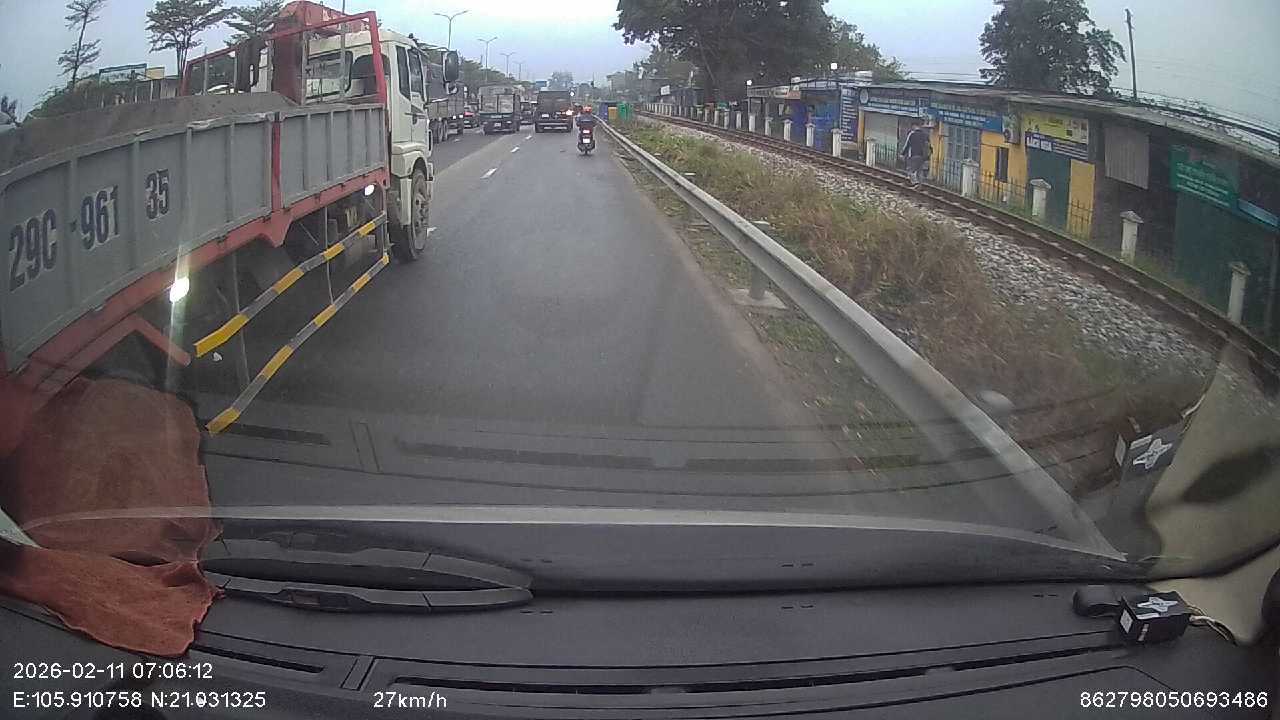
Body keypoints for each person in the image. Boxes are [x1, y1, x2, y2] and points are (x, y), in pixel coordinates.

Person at [900, 121, 931, 186]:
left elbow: (907, 145)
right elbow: (929, 146)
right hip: (923, 157)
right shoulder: (925, 135)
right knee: (919, 171)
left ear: (914, 126)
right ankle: (920, 185)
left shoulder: (912, 134)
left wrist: (902, 154)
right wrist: (928, 156)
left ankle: (915, 183)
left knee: (910, 170)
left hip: (913, 155)